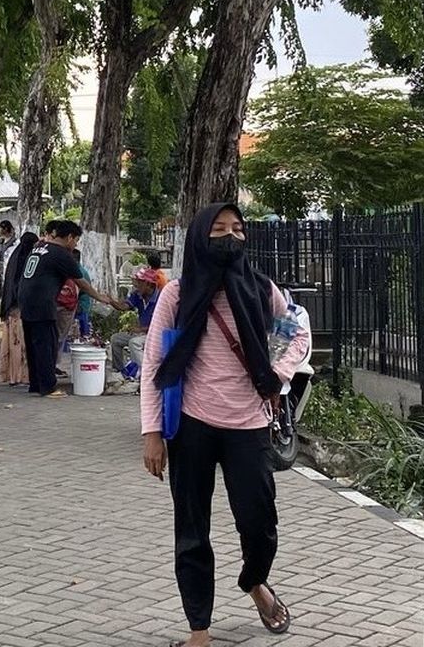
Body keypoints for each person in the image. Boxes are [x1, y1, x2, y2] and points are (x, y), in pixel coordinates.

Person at [141, 204, 310, 647]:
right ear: (200, 237)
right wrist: (152, 432)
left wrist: (280, 373)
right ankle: (199, 629)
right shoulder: (177, 295)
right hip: (193, 426)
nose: (230, 237)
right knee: (192, 530)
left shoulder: (261, 289)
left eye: (237, 229)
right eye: (218, 230)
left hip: (249, 424)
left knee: (259, 523)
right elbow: (154, 365)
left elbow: (298, 333)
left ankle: (255, 582)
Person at [17, 220, 125, 397]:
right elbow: (80, 281)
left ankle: (36, 383)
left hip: (26, 300)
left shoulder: (39, 248)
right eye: (75, 240)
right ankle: (48, 387)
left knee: (33, 344)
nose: (75, 245)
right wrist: (99, 297)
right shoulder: (61, 254)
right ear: (68, 237)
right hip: (43, 303)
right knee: (47, 345)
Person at [0, 232, 38, 387]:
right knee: (19, 343)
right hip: (19, 306)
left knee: (13, 343)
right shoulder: (25, 260)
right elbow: (19, 285)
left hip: (10, 305)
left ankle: (13, 376)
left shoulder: (15, 257)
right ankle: (20, 376)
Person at [111, 267, 160, 373]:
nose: (136, 285)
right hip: (142, 332)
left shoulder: (160, 299)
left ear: (148, 284)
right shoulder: (138, 295)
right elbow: (124, 306)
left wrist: (141, 329)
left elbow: (161, 326)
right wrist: (111, 301)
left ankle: (146, 373)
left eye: (139, 282)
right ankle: (120, 371)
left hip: (155, 334)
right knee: (116, 339)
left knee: (134, 343)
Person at [73, 249, 94, 340]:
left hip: (81, 305)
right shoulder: (75, 270)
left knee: (82, 333)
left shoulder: (80, 272)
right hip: (78, 304)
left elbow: (77, 292)